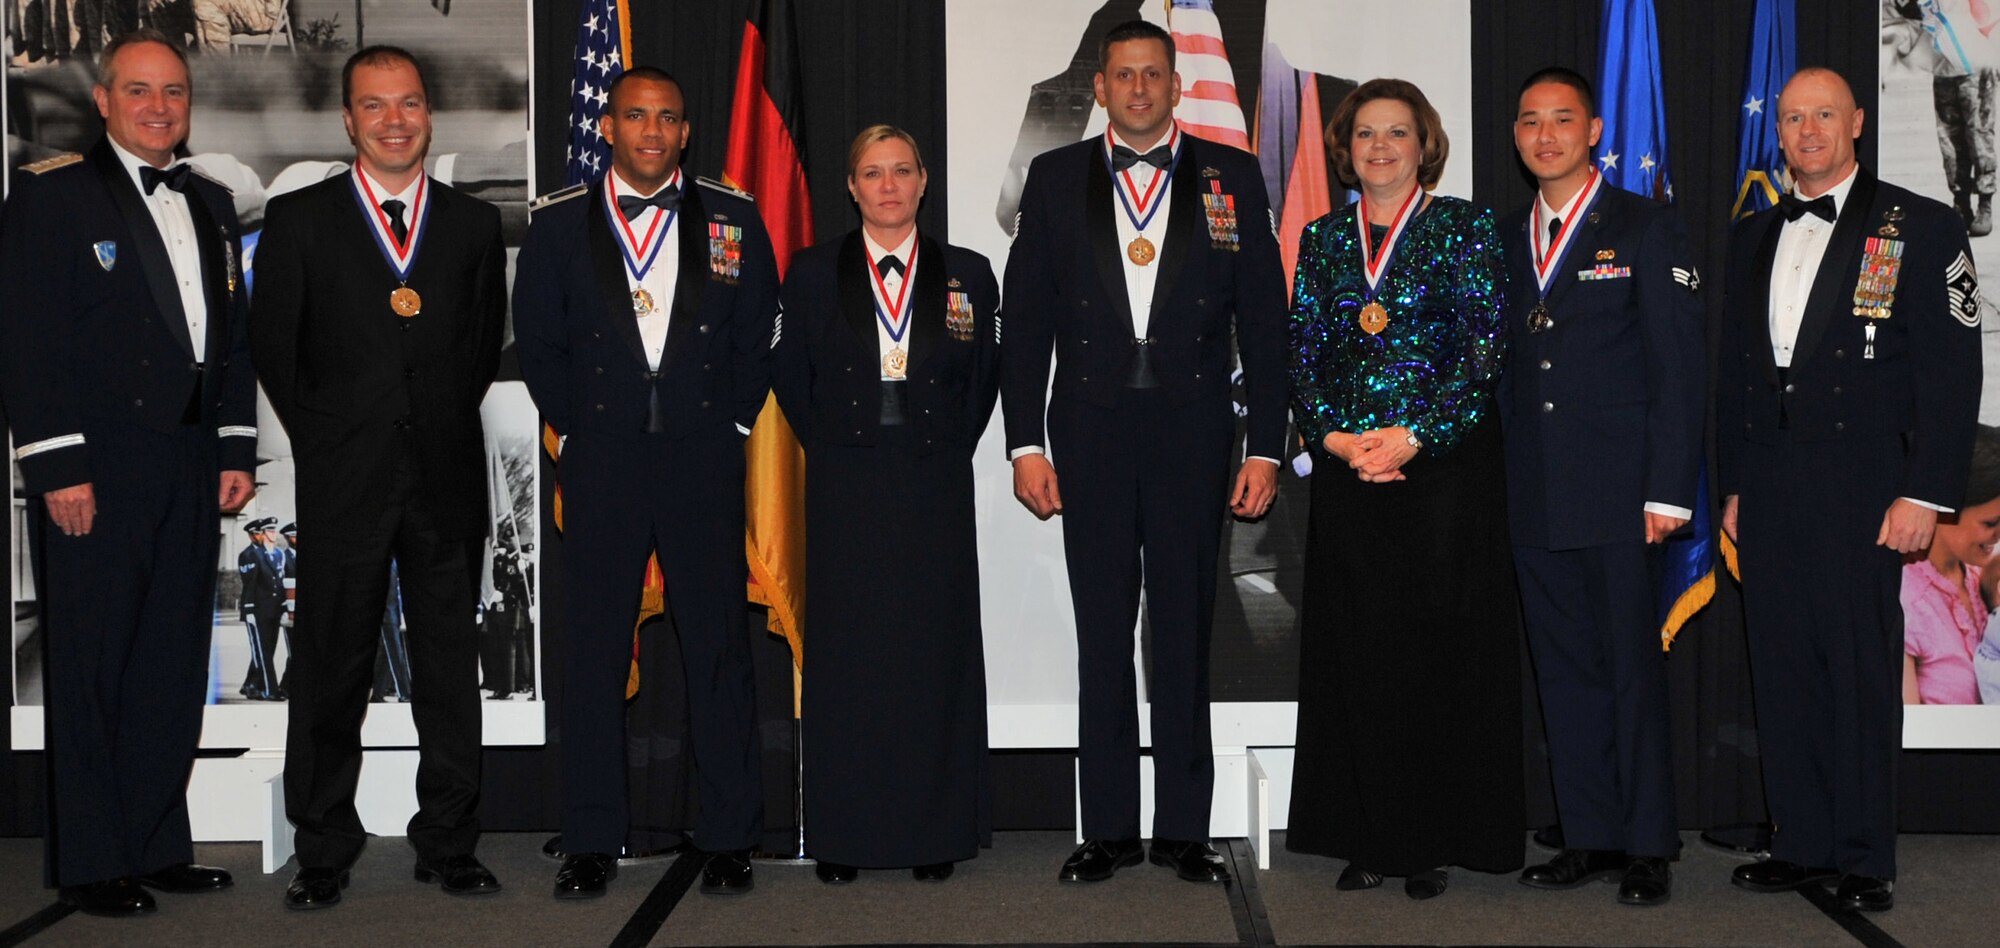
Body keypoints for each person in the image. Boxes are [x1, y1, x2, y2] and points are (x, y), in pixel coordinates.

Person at [1002, 18, 1286, 886]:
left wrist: (1266, 447)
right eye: (1122, 75)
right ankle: (1111, 830)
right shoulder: (1053, 178)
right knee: (1101, 632)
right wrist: (1024, 443)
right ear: (1099, 87)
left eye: (1152, 75)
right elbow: (1025, 328)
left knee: (1184, 634)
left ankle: (1183, 832)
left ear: (1175, 85)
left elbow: (1265, 327)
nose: (1137, 89)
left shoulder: (1232, 175)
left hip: (1193, 434)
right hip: (1085, 433)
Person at [0, 29, 255, 917]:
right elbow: (28, 342)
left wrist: (231, 446)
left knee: (170, 662)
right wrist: (58, 465)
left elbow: (231, 345)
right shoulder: (52, 199)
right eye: (140, 91)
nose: (159, 107)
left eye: (175, 92)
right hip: (95, 473)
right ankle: (94, 859)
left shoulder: (214, 202)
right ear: (102, 101)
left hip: (188, 464)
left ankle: (155, 841)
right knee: (93, 665)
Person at [1719, 66, 1983, 913]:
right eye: (1794, 118)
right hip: (1768, 483)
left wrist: (1928, 493)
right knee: (1784, 666)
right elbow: (1734, 378)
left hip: (1867, 487)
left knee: (1862, 670)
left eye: (1824, 114)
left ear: (1857, 121)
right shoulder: (1752, 234)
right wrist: (1730, 488)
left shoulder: (1920, 226)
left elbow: (1952, 377)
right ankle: (1799, 840)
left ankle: (1865, 854)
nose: (1807, 131)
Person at [250, 45, 508, 909]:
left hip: (443, 481)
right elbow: (277, 355)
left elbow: (476, 352)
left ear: (429, 114)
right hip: (344, 482)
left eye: (408, 104)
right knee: (330, 667)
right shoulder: (301, 221)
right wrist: (337, 440)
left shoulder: (474, 226)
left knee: (446, 669)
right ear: (349, 120)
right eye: (375, 106)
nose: (394, 120)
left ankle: (449, 840)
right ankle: (322, 848)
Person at [512, 66, 774, 900]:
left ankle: (730, 834)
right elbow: (538, 340)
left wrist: (732, 425)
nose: (652, 131)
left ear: (685, 131)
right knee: (591, 653)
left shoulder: (733, 217)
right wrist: (579, 427)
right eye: (635, 116)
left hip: (702, 458)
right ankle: (592, 836)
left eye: (667, 117)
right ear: (610, 127)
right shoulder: (556, 226)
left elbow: (759, 332)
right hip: (603, 461)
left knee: (718, 650)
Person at [1282, 77, 1520, 901]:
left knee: (1435, 659)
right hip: (1352, 479)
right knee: (1361, 659)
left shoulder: (1466, 229)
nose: (1380, 147)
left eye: (1398, 133)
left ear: (1426, 145)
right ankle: (1372, 836)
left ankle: (1430, 841)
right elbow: (1302, 357)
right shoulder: (1320, 239)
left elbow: (1486, 352)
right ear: (1345, 149)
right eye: (1366, 135)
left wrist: (1416, 435)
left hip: (1442, 478)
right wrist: (1339, 440)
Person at [773, 125, 1000, 884]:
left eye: (902, 170)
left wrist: (941, 449)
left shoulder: (968, 273)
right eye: (872, 172)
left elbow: (983, 383)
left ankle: (935, 834)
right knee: (849, 658)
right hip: (846, 481)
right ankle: (845, 835)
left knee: (933, 655)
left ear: (924, 180)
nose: (889, 185)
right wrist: (841, 447)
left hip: (935, 478)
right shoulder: (808, 274)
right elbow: (792, 380)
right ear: (851, 186)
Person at [1501, 68, 1706, 907]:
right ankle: (1587, 834)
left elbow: (1678, 369)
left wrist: (1669, 490)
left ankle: (1647, 842)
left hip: (1624, 495)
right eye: (1530, 122)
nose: (1545, 136)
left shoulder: (1645, 226)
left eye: (1563, 121)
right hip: (1536, 491)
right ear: (1516, 136)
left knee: (1629, 669)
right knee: (1564, 670)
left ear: (1593, 131)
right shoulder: (1506, 236)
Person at [1903, 426, 2000, 704]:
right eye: (1991, 523)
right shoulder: (1905, 602)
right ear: (1946, 509)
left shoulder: (1985, 580)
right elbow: (1905, 734)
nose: (1999, 534)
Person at [237, 517, 289, 700]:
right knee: (263, 653)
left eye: (274, 530)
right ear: (259, 534)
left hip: (273, 611)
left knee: (267, 650)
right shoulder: (250, 555)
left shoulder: (278, 554)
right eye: (268, 530)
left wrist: (284, 607)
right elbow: (249, 585)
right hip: (257, 611)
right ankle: (270, 690)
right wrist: (249, 611)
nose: (273, 534)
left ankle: (251, 684)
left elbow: (280, 584)